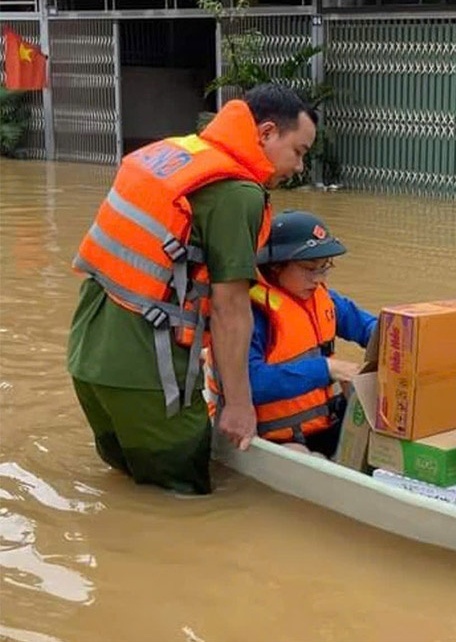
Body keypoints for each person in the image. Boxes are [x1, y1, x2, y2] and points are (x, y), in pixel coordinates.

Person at [67, 84, 318, 495]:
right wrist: (238, 406)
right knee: (184, 505)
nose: (299, 167)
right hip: (148, 374)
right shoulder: (238, 193)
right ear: (268, 133)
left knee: (129, 492)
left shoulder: (176, 152)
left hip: (88, 358)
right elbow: (230, 308)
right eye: (300, 152)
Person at [204, 210, 376, 458]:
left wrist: (400, 337)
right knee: (305, 455)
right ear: (275, 266)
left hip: (322, 424)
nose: (318, 279)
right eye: (309, 268)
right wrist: (327, 369)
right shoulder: (250, 316)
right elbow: (250, 384)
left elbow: (369, 327)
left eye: (324, 268)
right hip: (272, 435)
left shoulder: (324, 299)